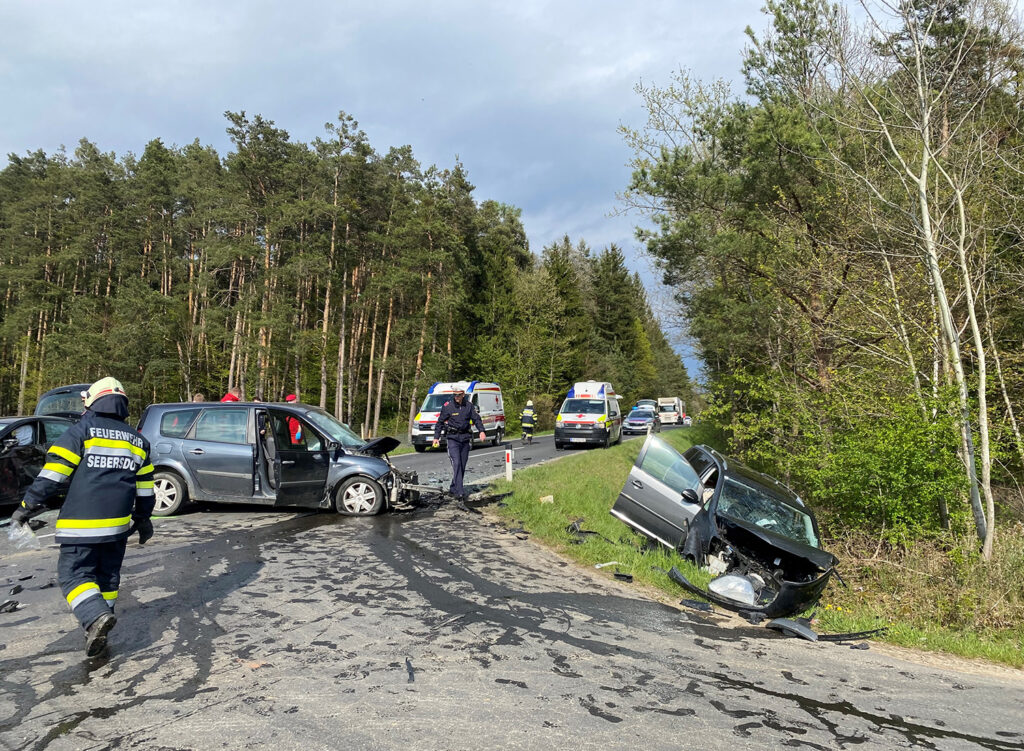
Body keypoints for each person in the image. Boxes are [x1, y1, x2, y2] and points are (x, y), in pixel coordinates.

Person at [12, 377, 155, 657]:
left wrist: (26, 507)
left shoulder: (81, 432)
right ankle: (98, 626)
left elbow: (53, 477)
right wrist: (143, 518)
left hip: (81, 526)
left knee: (74, 575)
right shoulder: (138, 441)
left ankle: (94, 617)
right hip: (117, 528)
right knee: (107, 578)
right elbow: (147, 489)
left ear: (92, 401)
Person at [432, 387, 486, 501]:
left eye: (458, 395)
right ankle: (460, 493)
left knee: (462, 465)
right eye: (455, 395)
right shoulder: (448, 406)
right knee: (456, 464)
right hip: (452, 439)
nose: (456, 397)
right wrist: (436, 437)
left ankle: (453, 488)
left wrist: (481, 431)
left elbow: (476, 419)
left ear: (463, 395)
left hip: (465, 438)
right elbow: (440, 422)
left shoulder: (469, 406)